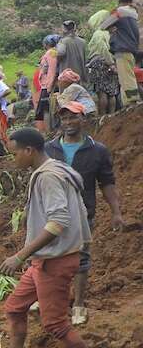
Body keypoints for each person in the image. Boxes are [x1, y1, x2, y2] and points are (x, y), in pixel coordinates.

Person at [0, 128, 121, 348]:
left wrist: (19, 255)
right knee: (14, 308)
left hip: (54, 261)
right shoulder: (58, 169)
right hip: (44, 261)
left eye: (15, 154)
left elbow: (58, 223)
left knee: (56, 325)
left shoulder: (48, 177)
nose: (14, 160)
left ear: (29, 151)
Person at [44, 102, 124, 326]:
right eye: (65, 118)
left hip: (83, 212)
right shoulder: (49, 149)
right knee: (50, 254)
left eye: (73, 118)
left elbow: (106, 182)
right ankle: (51, 299)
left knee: (80, 257)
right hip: (52, 211)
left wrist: (115, 212)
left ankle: (78, 304)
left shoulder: (97, 150)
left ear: (84, 119)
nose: (68, 123)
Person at [97, 0, 140, 103]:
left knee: (126, 78)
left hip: (122, 49)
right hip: (131, 50)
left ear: (120, 1)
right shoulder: (134, 14)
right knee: (127, 76)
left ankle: (132, 101)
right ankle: (127, 103)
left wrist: (111, 28)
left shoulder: (119, 11)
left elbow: (103, 25)